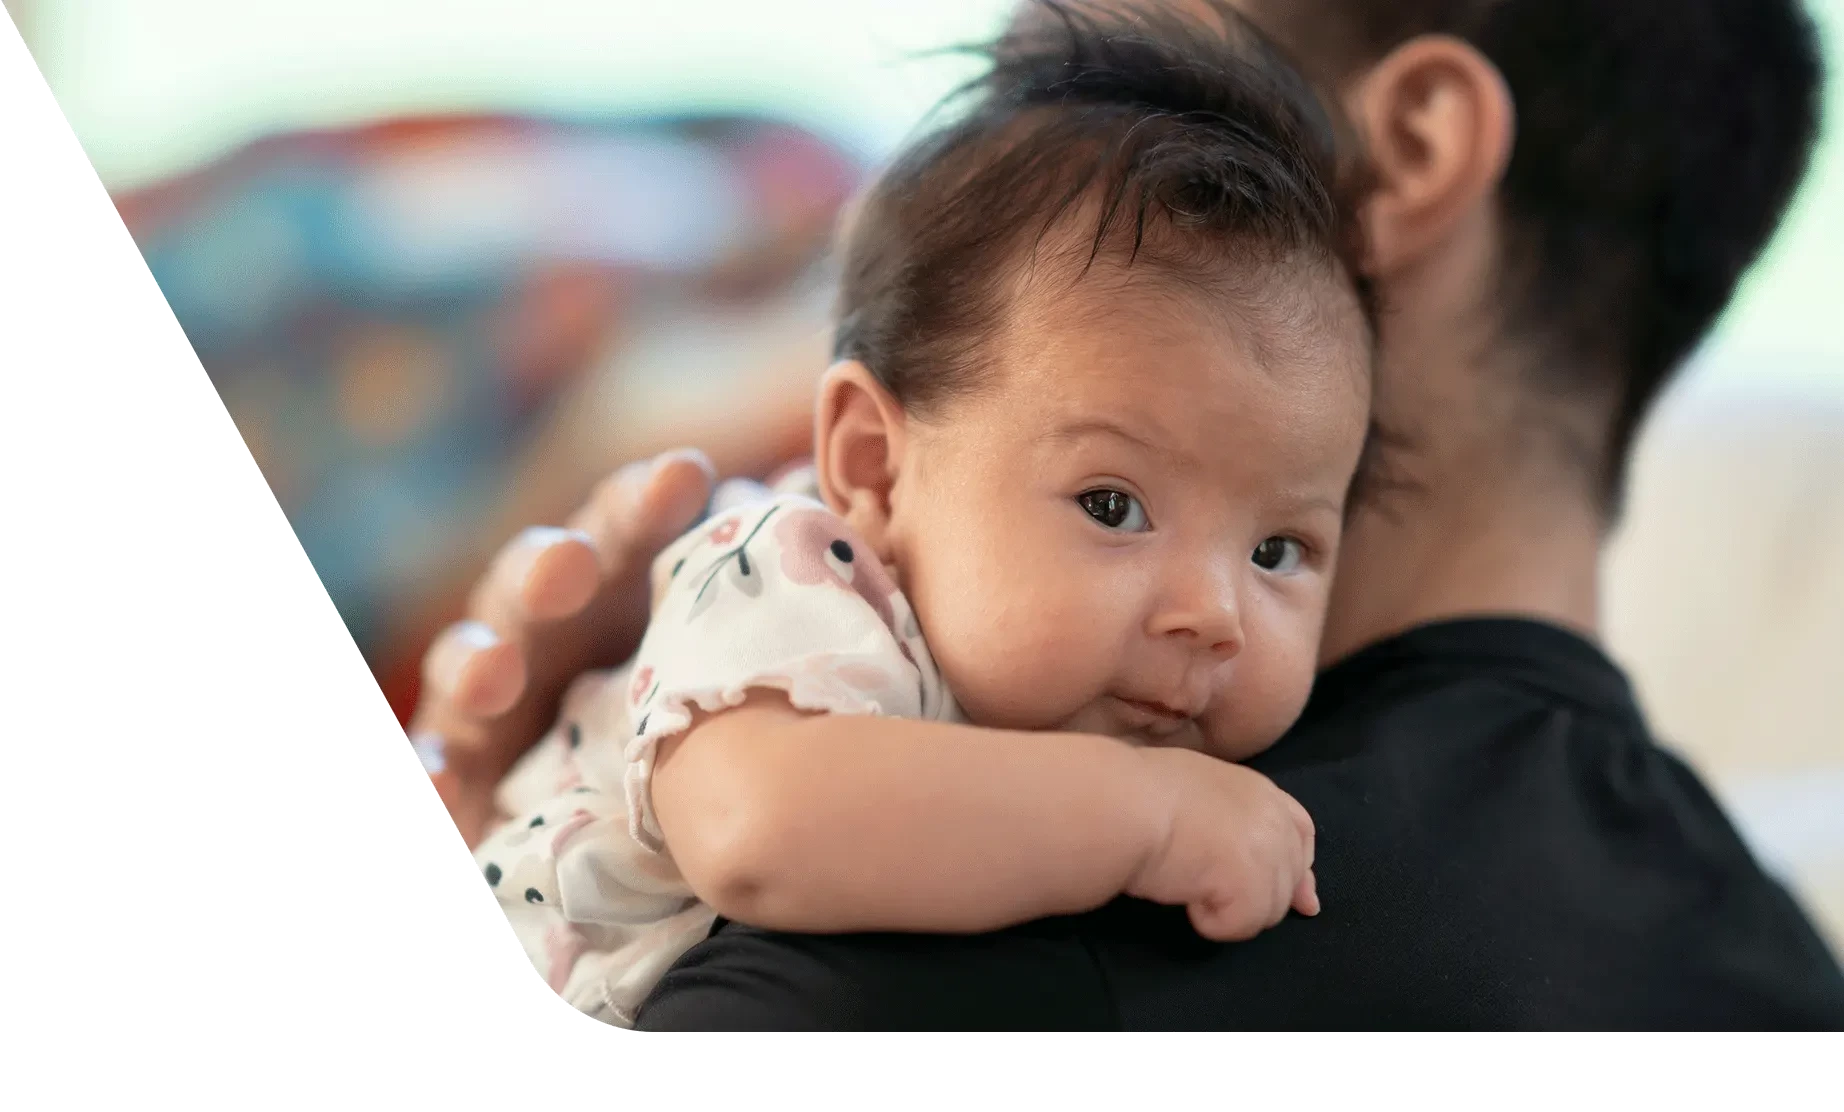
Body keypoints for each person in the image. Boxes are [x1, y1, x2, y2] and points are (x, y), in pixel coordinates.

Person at [415, 0, 1844, 1029]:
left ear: (1401, 152)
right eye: (1112, 506)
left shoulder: (962, 920)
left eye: (1050, 63)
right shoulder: (1776, 964)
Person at [469, 5, 1372, 1028]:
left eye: (1275, 548)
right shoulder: (790, 570)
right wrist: (1146, 820)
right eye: (1111, 505)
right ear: (871, 466)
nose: (1214, 612)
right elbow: (756, 828)